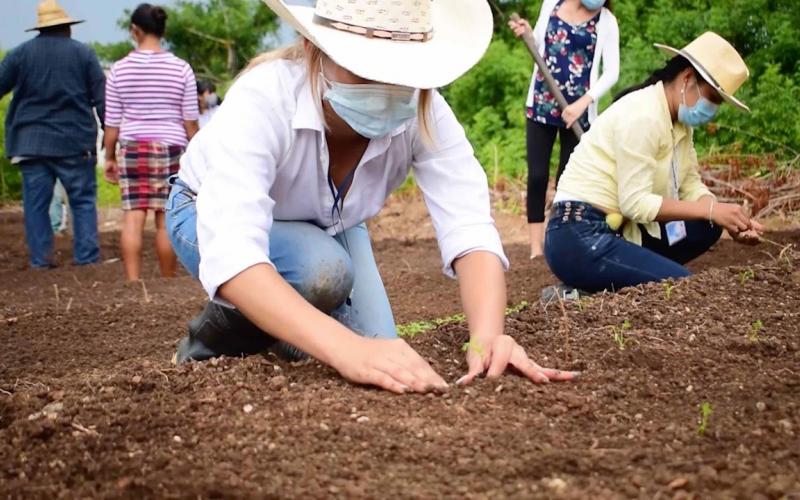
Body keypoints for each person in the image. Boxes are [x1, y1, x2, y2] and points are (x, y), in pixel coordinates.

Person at [166, 0, 578, 393]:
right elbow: (234, 250)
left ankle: (282, 331)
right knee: (322, 274)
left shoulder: (424, 109)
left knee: (379, 343)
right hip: (201, 210)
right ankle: (208, 346)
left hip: (330, 224)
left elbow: (469, 225)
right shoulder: (265, 98)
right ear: (315, 47)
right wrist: (347, 350)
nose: (386, 86)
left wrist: (487, 337)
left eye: (402, 71)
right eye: (367, 68)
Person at [543, 32, 764, 294]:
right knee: (681, 287)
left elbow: (690, 183)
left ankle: (610, 282)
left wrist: (726, 217)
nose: (712, 109)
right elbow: (635, 203)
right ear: (687, 79)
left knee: (710, 225)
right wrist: (710, 210)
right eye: (712, 99)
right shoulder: (643, 116)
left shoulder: (678, 121)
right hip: (579, 234)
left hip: (623, 231)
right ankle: (586, 290)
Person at [508, 0, 619, 259]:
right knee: (537, 176)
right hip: (542, 105)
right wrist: (525, 32)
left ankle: (556, 242)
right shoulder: (552, 4)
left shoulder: (606, 21)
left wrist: (582, 104)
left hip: (578, 113)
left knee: (566, 181)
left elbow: (611, 72)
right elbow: (538, 44)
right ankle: (536, 248)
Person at [0, 0, 104, 269]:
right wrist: (109, 137)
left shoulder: (20, 54)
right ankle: (87, 259)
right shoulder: (84, 54)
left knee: (36, 206)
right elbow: (101, 100)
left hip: (30, 142)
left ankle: (41, 261)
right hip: (75, 141)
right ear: (67, 28)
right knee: (82, 202)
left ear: (40, 29)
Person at [103, 3, 200, 281]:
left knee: (133, 216)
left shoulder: (119, 70)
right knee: (162, 218)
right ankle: (167, 280)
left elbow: (112, 123)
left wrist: (109, 157)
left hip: (133, 147)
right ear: (163, 30)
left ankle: (133, 282)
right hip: (170, 148)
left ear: (134, 30)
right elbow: (190, 121)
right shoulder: (181, 69)